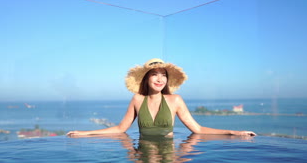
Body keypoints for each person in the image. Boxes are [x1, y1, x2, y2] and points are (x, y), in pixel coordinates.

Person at [66, 58, 256, 137]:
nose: (159, 79)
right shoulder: (137, 99)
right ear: (146, 78)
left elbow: (197, 129)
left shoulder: (176, 100)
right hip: (142, 154)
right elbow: (120, 129)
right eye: (154, 74)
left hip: (169, 154)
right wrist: (85, 134)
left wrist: (233, 133)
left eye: (163, 75)